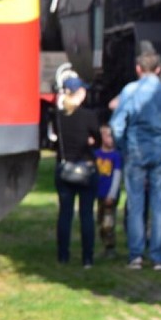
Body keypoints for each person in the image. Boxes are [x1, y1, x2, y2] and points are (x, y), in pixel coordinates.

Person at [110, 50, 161, 271]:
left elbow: (117, 125)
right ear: (159, 69)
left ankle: (136, 255)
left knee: (136, 203)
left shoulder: (130, 91)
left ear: (138, 69)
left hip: (135, 149)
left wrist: (123, 146)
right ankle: (158, 257)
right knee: (160, 203)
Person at [55, 76, 100, 268]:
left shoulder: (58, 116)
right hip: (86, 168)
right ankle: (87, 258)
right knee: (86, 215)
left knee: (65, 214)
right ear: (80, 93)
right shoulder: (89, 116)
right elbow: (97, 140)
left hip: (64, 168)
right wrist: (91, 141)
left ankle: (63, 256)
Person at [94, 124, 123, 258]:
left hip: (110, 194)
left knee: (108, 222)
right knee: (100, 221)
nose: (110, 139)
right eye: (107, 135)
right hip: (99, 193)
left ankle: (110, 247)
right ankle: (105, 245)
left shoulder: (115, 156)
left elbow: (117, 176)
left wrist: (112, 194)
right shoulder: (96, 154)